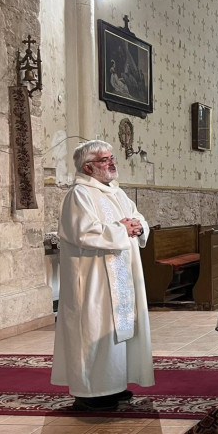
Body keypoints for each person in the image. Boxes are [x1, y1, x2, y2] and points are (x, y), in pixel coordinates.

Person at [51, 140, 154, 412]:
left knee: (116, 333)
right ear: (88, 167)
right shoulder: (79, 195)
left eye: (111, 157)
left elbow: (137, 217)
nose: (112, 163)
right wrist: (122, 229)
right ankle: (90, 392)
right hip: (93, 278)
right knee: (93, 328)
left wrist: (138, 226)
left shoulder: (117, 193)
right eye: (104, 159)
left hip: (121, 275)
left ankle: (114, 385)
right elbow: (83, 232)